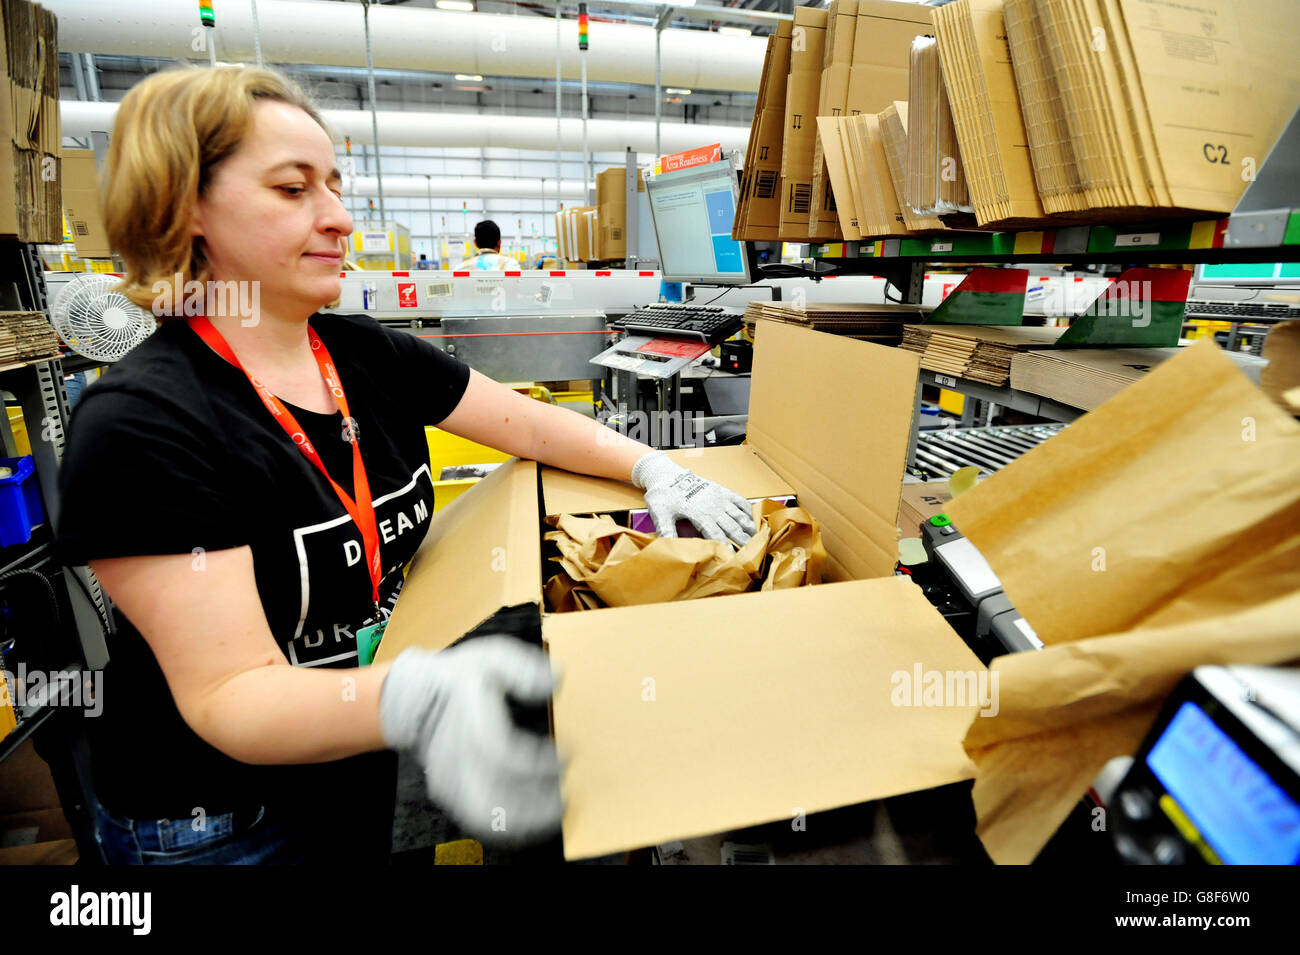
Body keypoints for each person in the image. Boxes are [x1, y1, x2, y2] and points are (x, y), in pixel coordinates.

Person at [55, 65, 757, 866]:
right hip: (221, 821)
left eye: (335, 185)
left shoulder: (356, 352)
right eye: (293, 191)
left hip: (357, 763)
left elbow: (531, 426)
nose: (340, 218)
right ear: (186, 207)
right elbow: (229, 694)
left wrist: (654, 470)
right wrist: (416, 694)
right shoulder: (142, 425)